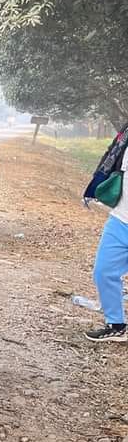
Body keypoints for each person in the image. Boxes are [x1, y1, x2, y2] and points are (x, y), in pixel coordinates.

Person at [82, 120, 128, 342]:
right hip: (121, 218)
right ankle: (116, 324)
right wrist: (94, 185)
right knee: (103, 271)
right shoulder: (127, 131)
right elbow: (111, 157)